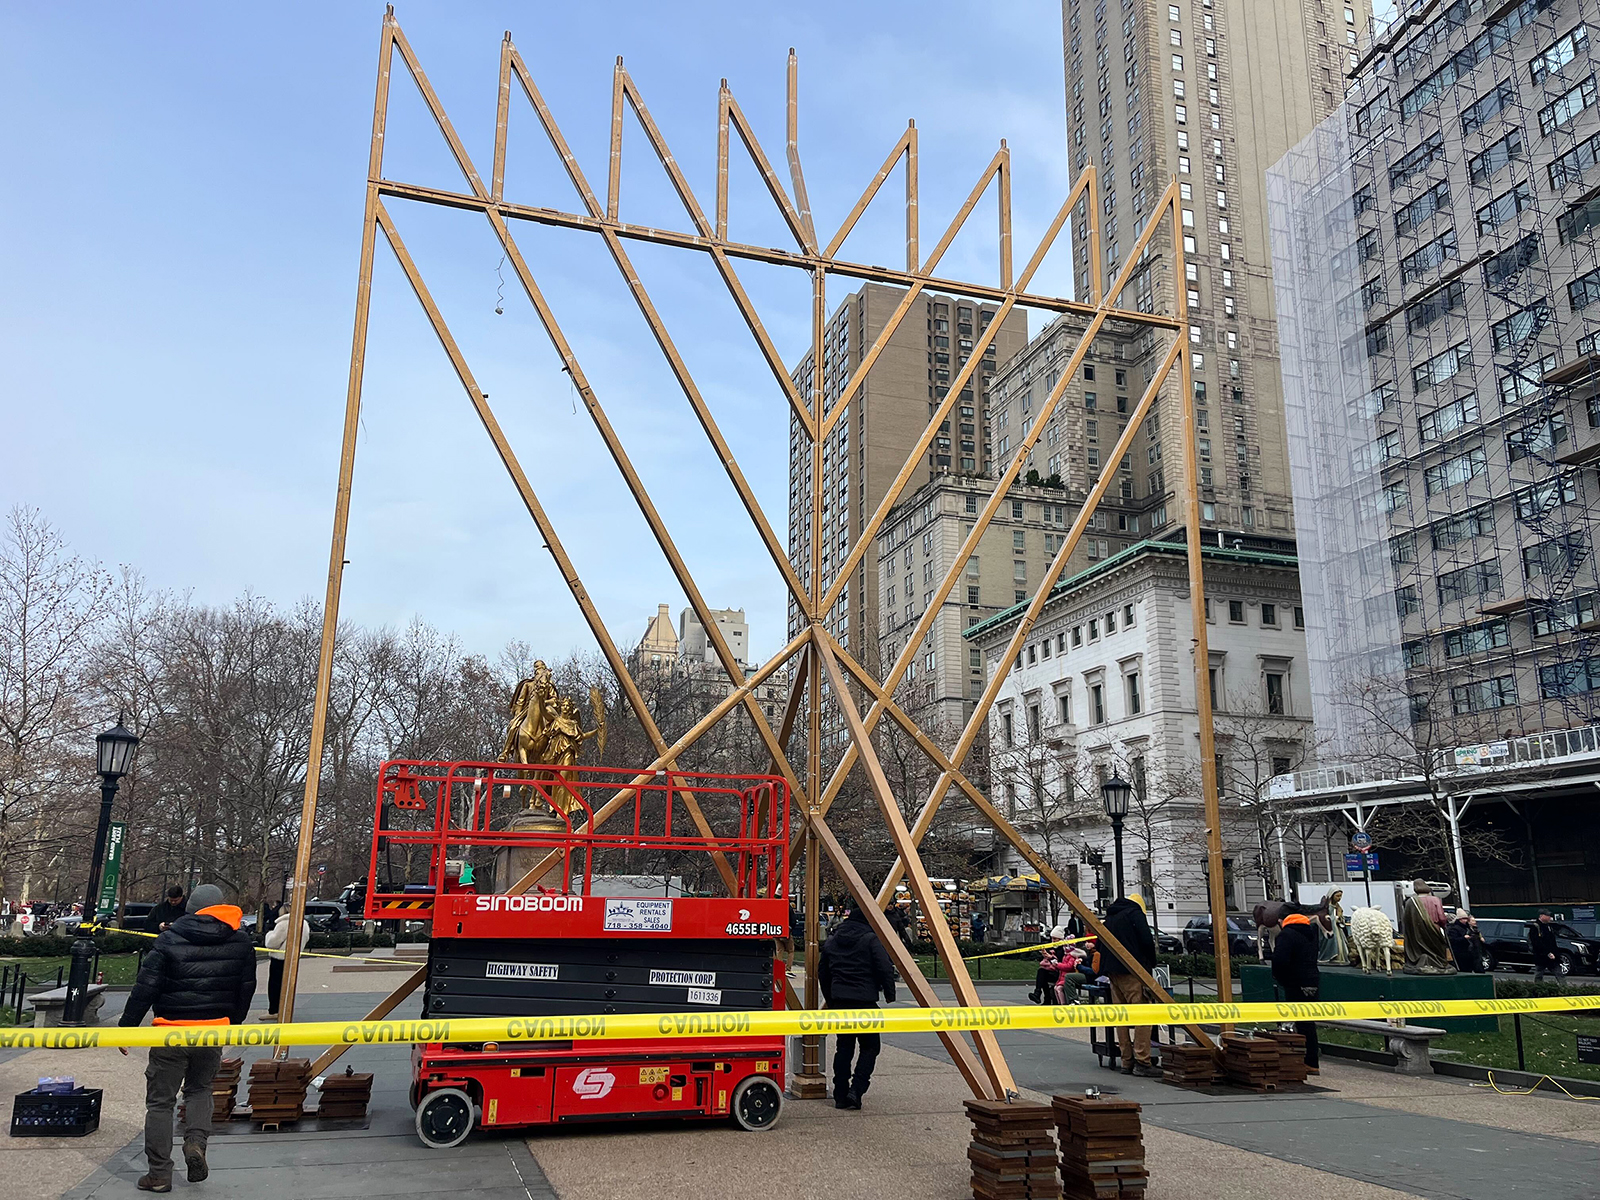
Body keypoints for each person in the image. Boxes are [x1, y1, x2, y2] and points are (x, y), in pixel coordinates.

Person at [119, 883, 258, 1193]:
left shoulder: (169, 938)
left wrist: (127, 1027)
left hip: (171, 1030)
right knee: (200, 1089)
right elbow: (245, 988)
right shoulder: (240, 941)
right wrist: (232, 1022)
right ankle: (196, 1143)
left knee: (160, 1103)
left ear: (190, 908)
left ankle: (158, 1173)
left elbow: (145, 987)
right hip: (212, 1029)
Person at [818, 904, 897, 1110]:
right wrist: (889, 994)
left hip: (840, 1000)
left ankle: (840, 1094)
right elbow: (884, 967)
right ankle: (857, 1089)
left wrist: (832, 1000)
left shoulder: (832, 941)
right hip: (864, 1001)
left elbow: (823, 973)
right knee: (870, 1046)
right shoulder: (870, 939)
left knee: (844, 1047)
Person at [1101, 893, 1159, 1076]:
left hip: (1112, 971)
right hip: (1133, 971)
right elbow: (1146, 940)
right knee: (1143, 1014)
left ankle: (1126, 1060)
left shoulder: (1111, 917)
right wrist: (1151, 963)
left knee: (1121, 1016)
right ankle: (1142, 1060)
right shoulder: (1134, 914)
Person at [1271, 910, 1321, 1073]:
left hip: (1295, 982)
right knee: (1308, 1022)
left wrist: (1281, 979)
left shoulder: (1287, 935)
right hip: (1312, 981)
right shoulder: (1311, 933)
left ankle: (1304, 1060)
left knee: (1299, 1021)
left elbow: (1280, 961)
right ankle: (1312, 1061)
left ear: (1282, 920)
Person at [262, 907, 310, 1021]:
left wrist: (268, 934)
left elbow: (272, 943)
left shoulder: (283, 924)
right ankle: (286, 1008)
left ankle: (274, 1010)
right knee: (288, 984)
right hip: (294, 957)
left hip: (280, 957)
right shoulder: (304, 923)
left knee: (275, 985)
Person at [1529, 909, 1561, 982]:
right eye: (1548, 916)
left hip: (1553, 955)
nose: (1550, 917)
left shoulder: (1548, 926)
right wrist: (1547, 953)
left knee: (1559, 973)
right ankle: (1538, 989)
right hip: (1541, 956)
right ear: (1541, 916)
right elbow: (1537, 942)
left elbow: (1552, 941)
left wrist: (1555, 953)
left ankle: (1564, 989)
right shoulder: (1536, 927)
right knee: (1539, 974)